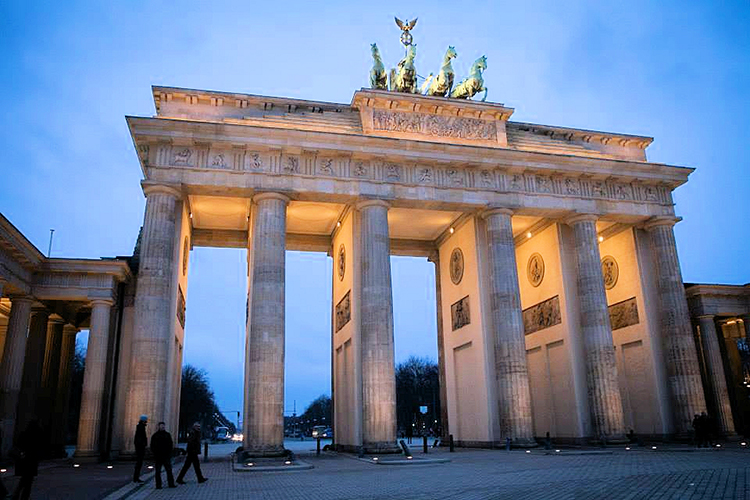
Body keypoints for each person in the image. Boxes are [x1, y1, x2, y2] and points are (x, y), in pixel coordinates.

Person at [12, 420, 42, 500]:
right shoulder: (37, 435)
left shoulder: (24, 434)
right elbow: (39, 447)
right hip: (32, 460)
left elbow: (18, 444)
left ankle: (17, 494)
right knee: (28, 480)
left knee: (24, 478)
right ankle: (22, 495)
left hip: (24, 459)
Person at [150, 422, 176, 489]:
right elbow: (152, 446)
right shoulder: (155, 435)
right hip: (158, 456)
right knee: (158, 471)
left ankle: (171, 483)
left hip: (166, 456)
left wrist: (169, 453)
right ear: (158, 427)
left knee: (169, 470)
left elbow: (170, 444)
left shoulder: (167, 435)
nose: (162, 427)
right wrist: (155, 453)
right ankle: (158, 485)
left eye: (163, 426)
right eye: (161, 426)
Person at [133, 415, 148, 483]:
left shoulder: (140, 426)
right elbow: (140, 437)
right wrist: (143, 444)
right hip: (140, 447)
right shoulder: (141, 427)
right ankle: (136, 477)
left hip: (139, 446)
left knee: (139, 463)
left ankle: (136, 477)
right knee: (139, 463)